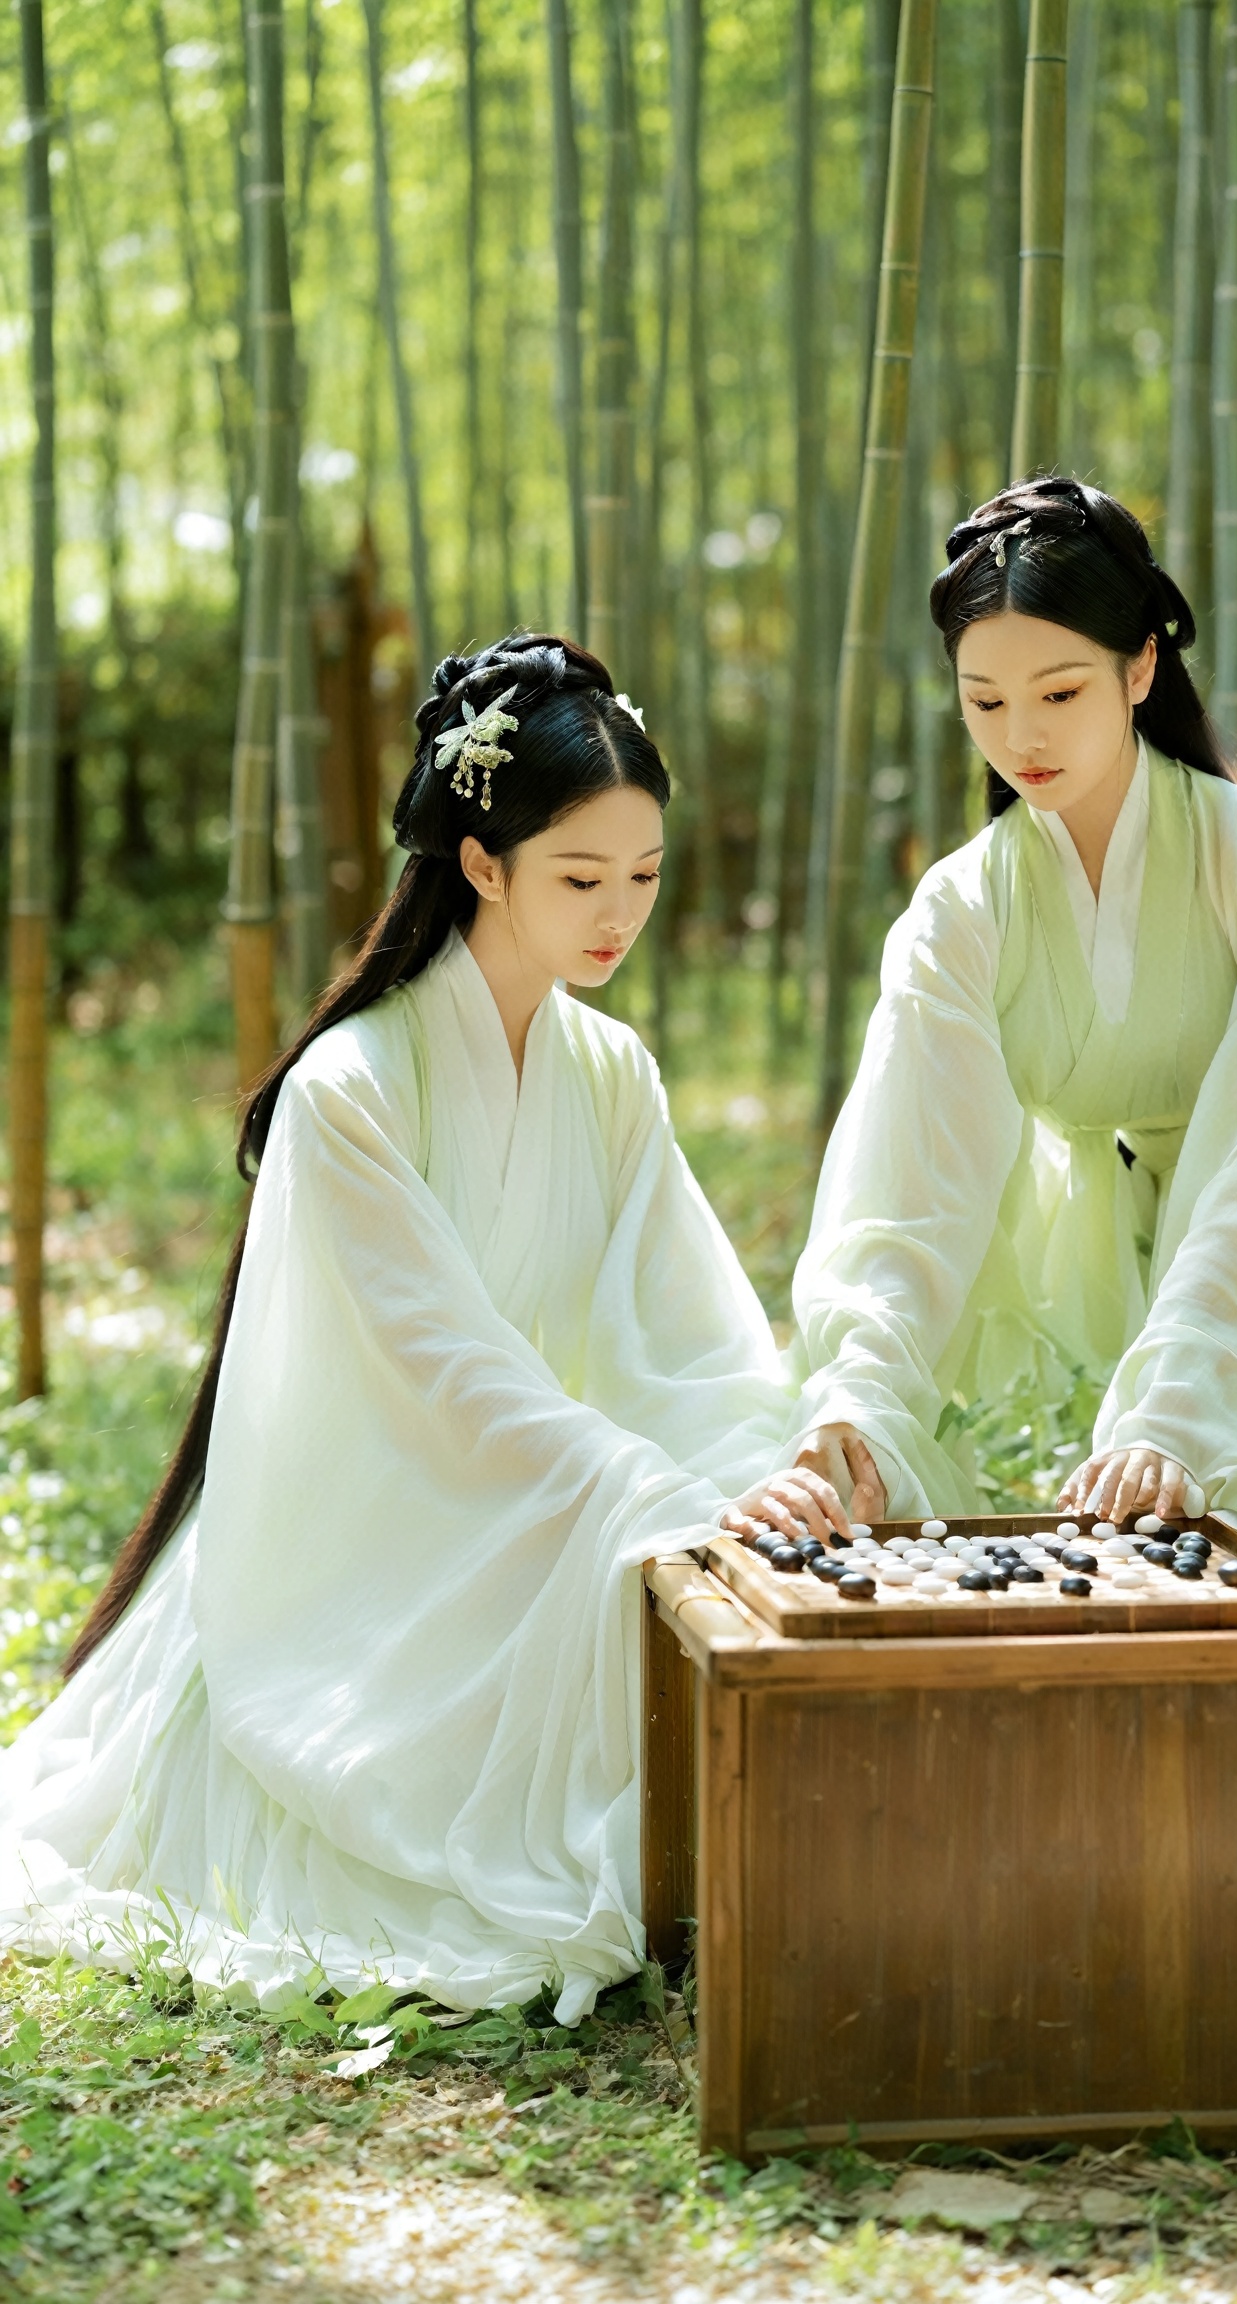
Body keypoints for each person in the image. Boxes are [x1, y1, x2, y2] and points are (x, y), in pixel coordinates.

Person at [743, 476, 1237, 1938]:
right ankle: (1141, 1889)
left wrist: (1176, 1395)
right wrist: (857, 1393)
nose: (1021, 737)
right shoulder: (965, 909)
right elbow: (912, 1176)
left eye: (1057, 690)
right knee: (1052, 1548)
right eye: (983, 703)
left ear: (1143, 668)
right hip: (1080, 1259)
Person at [0, 635, 794, 2022]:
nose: (622, 916)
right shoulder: (351, 1088)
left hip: (521, 1514)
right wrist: (637, 1491)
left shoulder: (610, 1074)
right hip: (362, 1548)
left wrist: (764, 1466)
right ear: (482, 865)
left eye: (646, 879)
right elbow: (438, 1378)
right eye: (582, 879)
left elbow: (686, 1327)